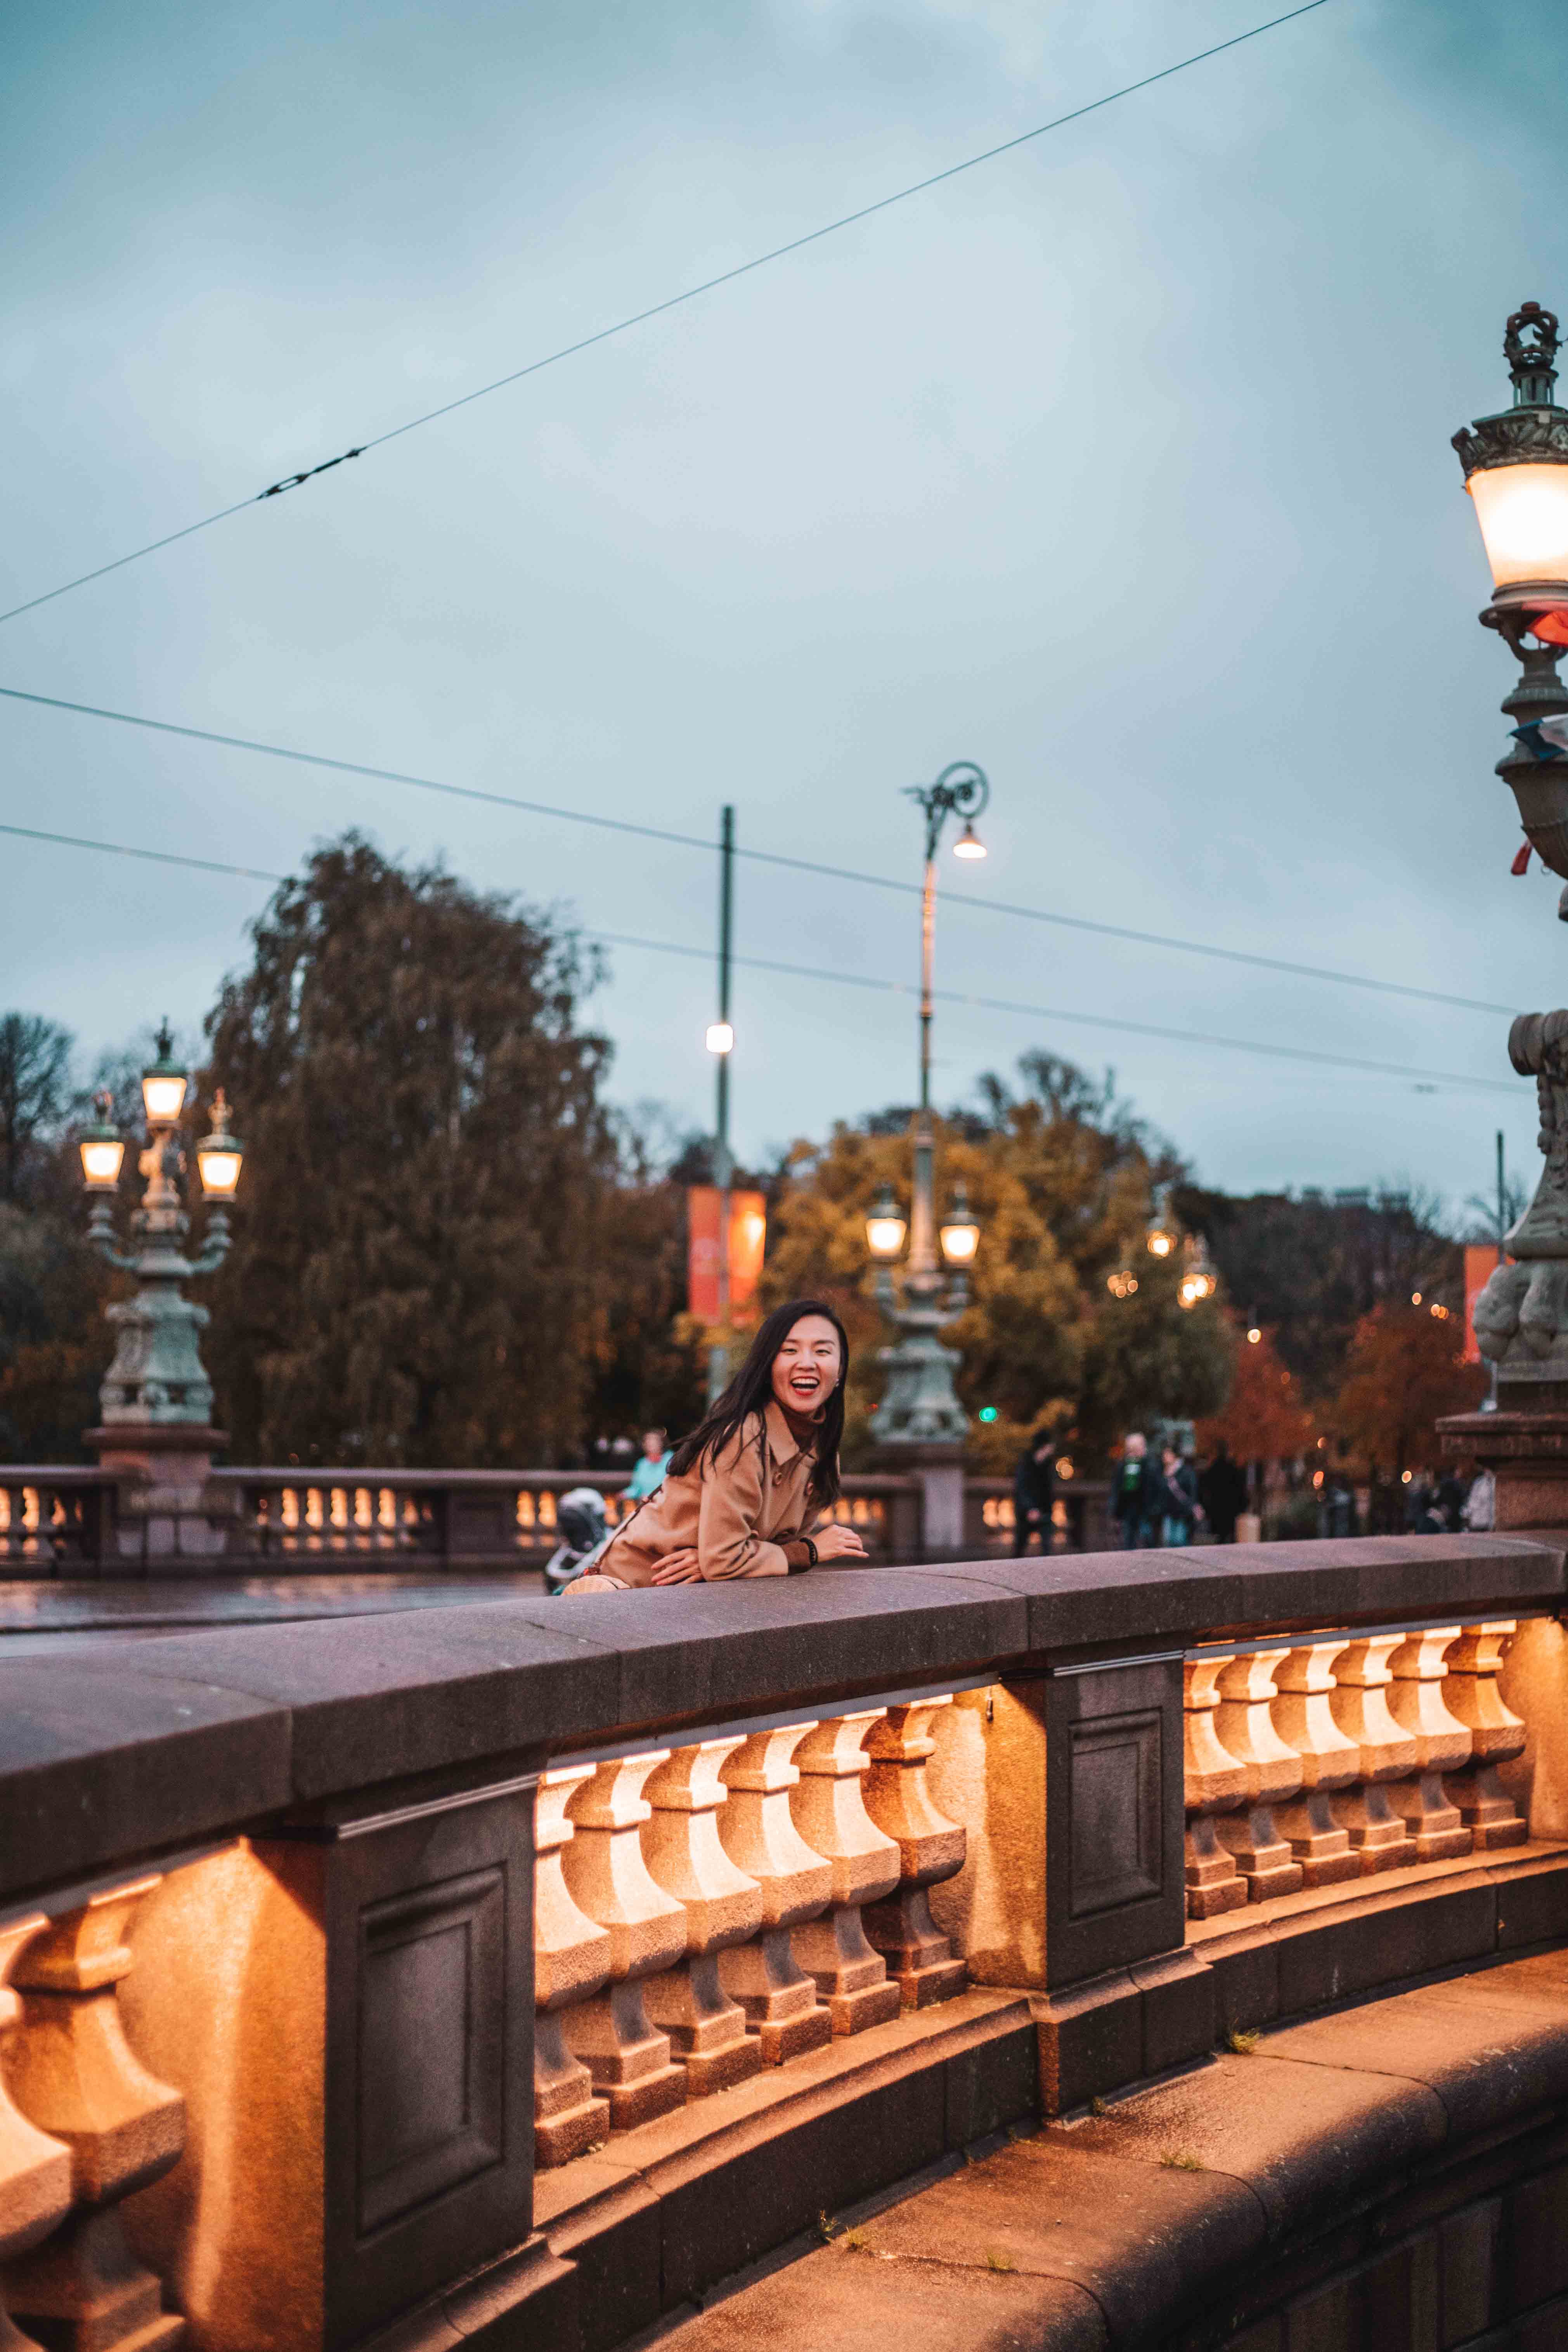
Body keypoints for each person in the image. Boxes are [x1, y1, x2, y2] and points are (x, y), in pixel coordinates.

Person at [565, 1298, 868, 1591]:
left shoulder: (821, 1452)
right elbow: (728, 1560)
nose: (806, 1363)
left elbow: (736, 1558)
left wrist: (720, 1559)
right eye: (789, 1350)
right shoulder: (744, 1437)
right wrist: (810, 1551)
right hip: (635, 1589)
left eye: (822, 1351)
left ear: (840, 1369)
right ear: (768, 1365)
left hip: (690, 1597)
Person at [1112, 1433, 1162, 1549]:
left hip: (1146, 1510)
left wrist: (1156, 1508)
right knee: (1129, 1542)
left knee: (1147, 1540)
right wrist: (1116, 1511)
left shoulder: (1150, 1464)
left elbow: (1157, 1486)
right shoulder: (1124, 1465)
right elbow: (1118, 1488)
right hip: (1129, 1510)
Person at [1012, 1430, 1056, 1556]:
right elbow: (1021, 1489)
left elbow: (1050, 1491)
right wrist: (1030, 1509)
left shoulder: (1048, 1465)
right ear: (1044, 1446)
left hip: (1044, 1512)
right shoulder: (1026, 1464)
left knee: (1047, 1549)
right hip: (1027, 1513)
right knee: (1020, 1548)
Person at [1197, 1440, 1247, 1544]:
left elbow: (1206, 1488)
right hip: (1230, 1506)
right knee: (1230, 1533)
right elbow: (1240, 1489)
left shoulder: (1214, 1469)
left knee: (1221, 1534)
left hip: (1218, 1505)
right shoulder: (1232, 1469)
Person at [1159, 1443, 1203, 1548]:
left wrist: (1193, 1506)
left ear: (1174, 1455)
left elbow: (1193, 1490)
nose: (1164, 1457)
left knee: (1180, 1541)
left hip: (1183, 1513)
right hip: (1168, 1512)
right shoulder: (1163, 1472)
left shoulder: (1186, 1471)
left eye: (1167, 1454)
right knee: (1168, 1540)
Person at [624, 1428, 672, 1502]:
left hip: (666, 1503)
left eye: (654, 1441)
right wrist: (624, 1494)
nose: (651, 1444)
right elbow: (636, 1488)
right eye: (648, 1442)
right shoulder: (642, 1464)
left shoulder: (671, 1460)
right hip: (645, 1504)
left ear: (661, 1443)